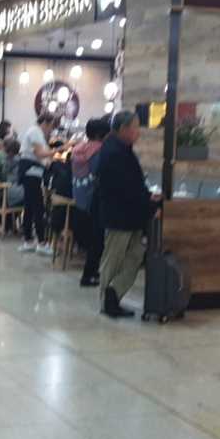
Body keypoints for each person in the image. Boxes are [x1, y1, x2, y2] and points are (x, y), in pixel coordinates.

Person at [96, 110, 161, 318]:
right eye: (135, 127)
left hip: (130, 215)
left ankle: (113, 293)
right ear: (123, 129)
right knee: (113, 258)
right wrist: (148, 204)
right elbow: (124, 188)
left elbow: (132, 185)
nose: (138, 132)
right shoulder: (114, 152)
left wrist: (147, 197)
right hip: (118, 215)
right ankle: (106, 301)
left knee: (135, 255)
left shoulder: (122, 149)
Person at [71, 117, 110, 287]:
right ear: (102, 134)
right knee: (97, 239)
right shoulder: (98, 151)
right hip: (93, 198)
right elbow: (99, 173)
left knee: (93, 239)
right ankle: (89, 275)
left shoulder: (78, 149)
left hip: (79, 196)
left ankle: (91, 273)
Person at [18, 112, 60, 256]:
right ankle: (41, 243)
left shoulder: (38, 134)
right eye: (51, 126)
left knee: (29, 207)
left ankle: (28, 240)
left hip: (32, 171)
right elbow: (41, 154)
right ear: (45, 123)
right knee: (38, 207)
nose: (51, 130)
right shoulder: (35, 132)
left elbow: (43, 156)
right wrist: (61, 148)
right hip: (30, 172)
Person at [0, 138, 24, 208]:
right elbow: (3, 178)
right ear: (10, 151)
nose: (14, 155)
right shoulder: (3, 158)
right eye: (14, 153)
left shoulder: (0, 155)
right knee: (28, 193)